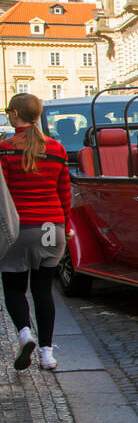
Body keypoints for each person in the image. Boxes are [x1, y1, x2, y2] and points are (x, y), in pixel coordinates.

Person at [0, 93, 72, 370]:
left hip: (19, 228)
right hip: (50, 227)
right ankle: (46, 354)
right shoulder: (57, 149)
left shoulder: (5, 150)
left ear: (15, 114)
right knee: (44, 291)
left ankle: (24, 333)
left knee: (15, 288)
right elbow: (64, 193)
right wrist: (65, 227)